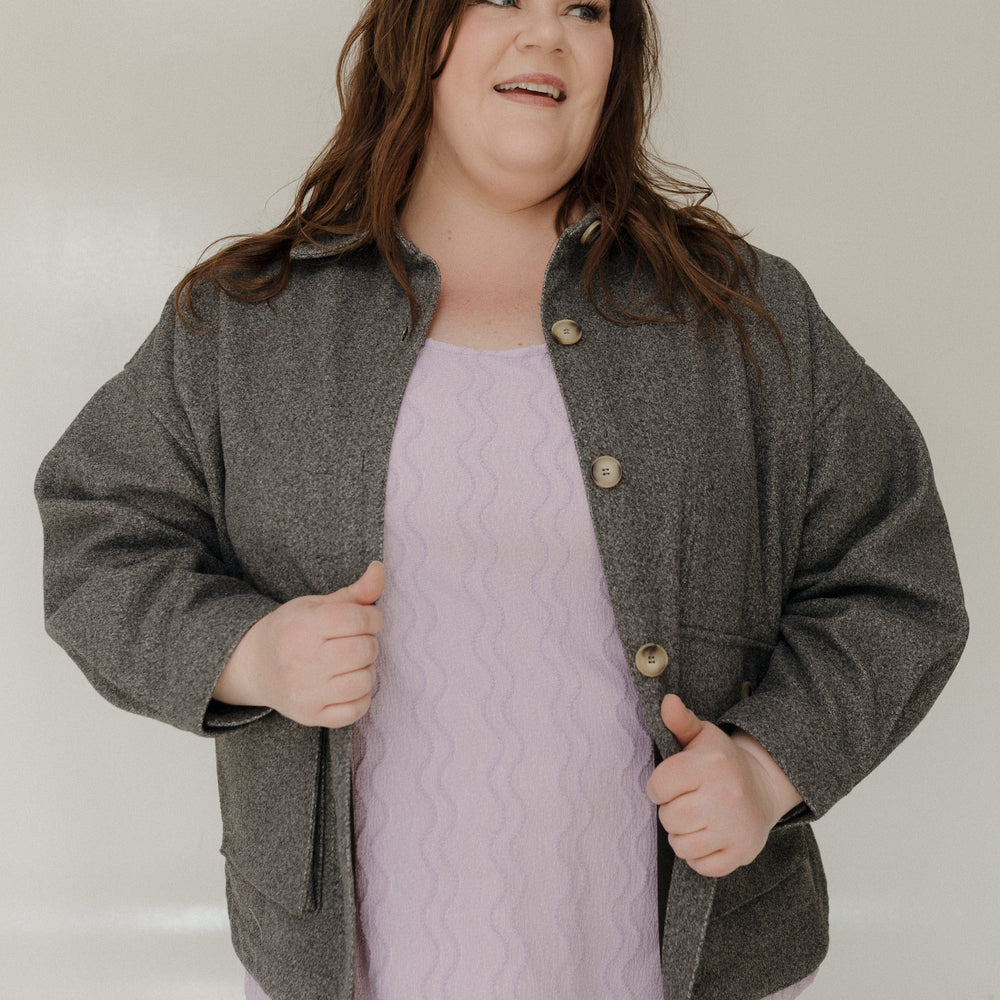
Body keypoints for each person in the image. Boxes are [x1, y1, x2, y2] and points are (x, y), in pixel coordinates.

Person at [35, 0, 968, 998]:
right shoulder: (246, 321)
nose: (547, 34)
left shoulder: (740, 315)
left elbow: (895, 578)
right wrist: (246, 653)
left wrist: (769, 764)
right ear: (417, 35)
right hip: (360, 968)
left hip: (677, 962)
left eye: (586, 9)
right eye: (502, 0)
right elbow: (98, 535)